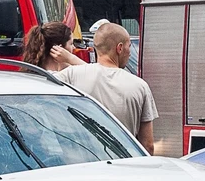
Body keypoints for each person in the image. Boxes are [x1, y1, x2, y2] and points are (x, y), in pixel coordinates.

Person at [55, 22, 158, 154]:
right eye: (129, 47)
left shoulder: (70, 75)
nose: (130, 53)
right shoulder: (140, 86)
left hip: (83, 163)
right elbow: (148, 145)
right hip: (124, 166)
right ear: (119, 48)